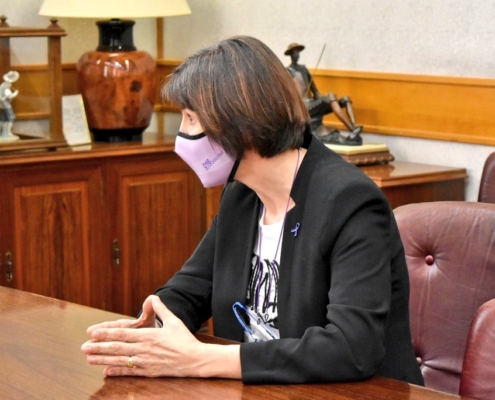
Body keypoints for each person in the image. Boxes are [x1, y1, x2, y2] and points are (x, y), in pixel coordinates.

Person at [81, 35, 424, 386]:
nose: (182, 136)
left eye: (190, 119)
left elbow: (352, 348)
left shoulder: (349, 201)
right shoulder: (242, 194)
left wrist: (202, 359)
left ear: (238, 120)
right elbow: (192, 288)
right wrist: (151, 328)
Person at [285, 42, 363, 146]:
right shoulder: (288, 71)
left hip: (312, 103)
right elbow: (286, 93)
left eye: (298, 53)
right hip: (303, 107)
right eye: (295, 53)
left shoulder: (303, 69)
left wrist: (319, 97)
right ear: (290, 55)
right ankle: (352, 129)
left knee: (345, 99)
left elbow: (314, 89)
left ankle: (354, 127)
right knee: (331, 96)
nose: (297, 55)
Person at [0, 70, 20, 141]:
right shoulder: (7, 85)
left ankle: (3, 132)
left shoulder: (3, 84)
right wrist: (15, 93)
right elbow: (9, 95)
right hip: (6, 104)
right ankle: (7, 132)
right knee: (11, 117)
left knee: (3, 118)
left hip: (3, 104)